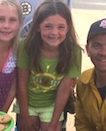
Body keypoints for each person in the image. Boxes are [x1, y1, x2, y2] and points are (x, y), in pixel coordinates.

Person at [14, 1, 81, 131]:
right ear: (38, 26)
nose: (54, 32)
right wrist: (25, 115)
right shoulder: (26, 46)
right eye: (48, 26)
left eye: (61, 27)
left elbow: (64, 90)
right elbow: (21, 84)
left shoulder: (74, 52)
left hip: (52, 104)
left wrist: (53, 123)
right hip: (27, 102)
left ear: (68, 27)